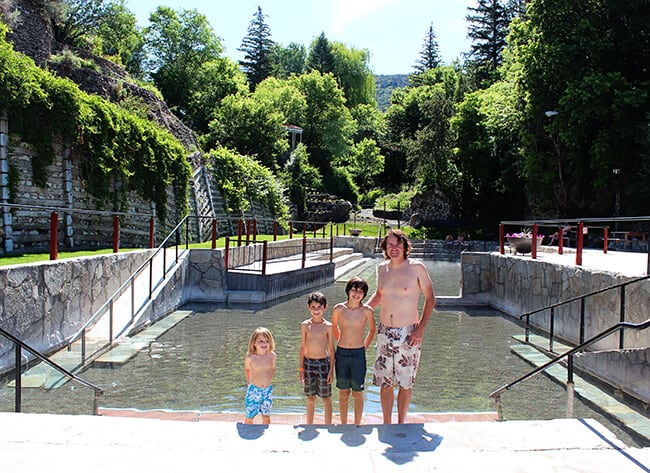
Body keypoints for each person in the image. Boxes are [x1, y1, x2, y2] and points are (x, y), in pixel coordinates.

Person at [367, 229, 436, 424]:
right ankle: (387, 422)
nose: (394, 248)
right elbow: (379, 295)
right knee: (384, 381)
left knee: (405, 382)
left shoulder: (416, 268)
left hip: (408, 332)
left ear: (405, 247)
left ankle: (401, 422)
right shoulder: (382, 268)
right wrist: (361, 310)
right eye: (390, 245)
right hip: (384, 331)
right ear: (385, 248)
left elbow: (430, 299)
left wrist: (420, 328)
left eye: (398, 245)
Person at [331, 277, 377, 425]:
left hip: (358, 354)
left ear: (364, 295)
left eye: (361, 292)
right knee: (343, 392)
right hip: (342, 352)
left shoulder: (367, 311)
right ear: (348, 290)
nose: (357, 294)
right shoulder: (339, 309)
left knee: (357, 392)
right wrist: (340, 340)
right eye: (354, 290)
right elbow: (333, 327)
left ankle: (358, 423)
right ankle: (344, 423)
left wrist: (364, 346)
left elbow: (372, 330)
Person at [299, 291, 335, 424]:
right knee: (310, 397)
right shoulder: (305, 325)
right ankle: (309, 424)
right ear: (309, 307)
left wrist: (331, 370)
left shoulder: (328, 326)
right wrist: (301, 368)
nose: (316, 310)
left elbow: (331, 348)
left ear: (325, 307)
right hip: (308, 363)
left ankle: (328, 425)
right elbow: (302, 347)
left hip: (323, 364)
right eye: (313, 307)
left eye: (319, 307)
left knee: (326, 398)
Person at [243, 327, 276, 424]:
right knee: (250, 416)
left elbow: (272, 369)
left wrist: (269, 380)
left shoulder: (272, 356)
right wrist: (249, 383)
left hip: (267, 390)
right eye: (260, 341)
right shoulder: (251, 358)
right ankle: (247, 430)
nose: (264, 343)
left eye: (267, 341)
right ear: (254, 343)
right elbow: (247, 369)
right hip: (254, 390)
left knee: (266, 416)